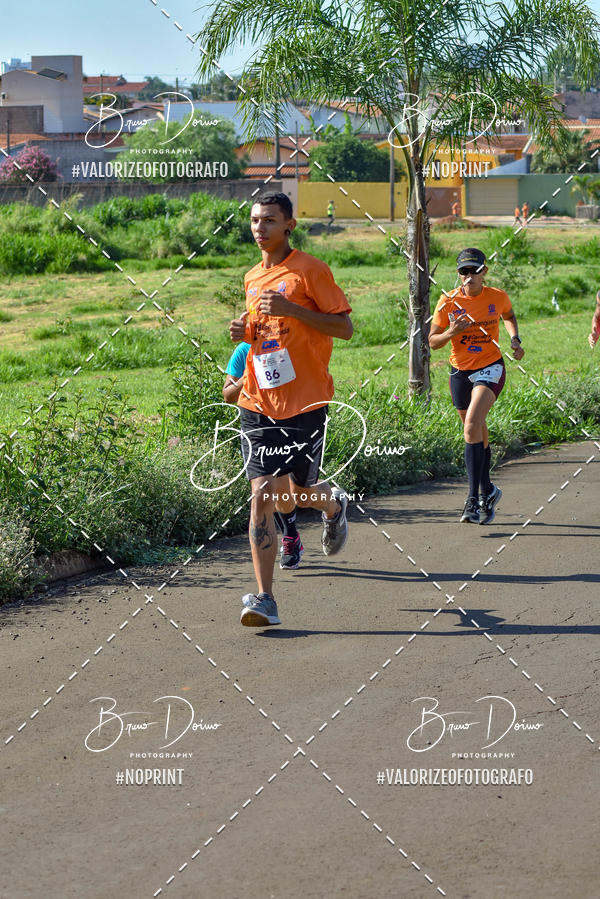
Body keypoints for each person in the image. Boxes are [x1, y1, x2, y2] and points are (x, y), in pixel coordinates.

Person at [229, 191, 353, 627]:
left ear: (289, 226)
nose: (259, 228)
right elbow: (263, 337)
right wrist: (244, 332)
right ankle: (264, 598)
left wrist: (293, 310)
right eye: (254, 219)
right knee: (262, 495)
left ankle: (331, 507)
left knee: (292, 495)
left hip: (305, 401)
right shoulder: (251, 277)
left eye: (268, 220)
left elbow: (344, 327)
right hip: (258, 400)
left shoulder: (311, 271)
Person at [429, 247, 525, 525]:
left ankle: (472, 500)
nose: (469, 277)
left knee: (471, 423)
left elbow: (508, 315)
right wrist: (452, 332)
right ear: (458, 274)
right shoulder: (447, 301)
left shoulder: (497, 296)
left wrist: (515, 340)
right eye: (463, 272)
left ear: (484, 271)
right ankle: (489, 490)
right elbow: (433, 342)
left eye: (474, 271)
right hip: (459, 371)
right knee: (475, 429)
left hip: (491, 366)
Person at [223, 341, 304, 570]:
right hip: (256, 427)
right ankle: (289, 539)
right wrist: (247, 376)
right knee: (263, 490)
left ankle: (294, 531)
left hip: (290, 420)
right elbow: (228, 395)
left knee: (285, 490)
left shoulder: (287, 342)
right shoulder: (243, 350)